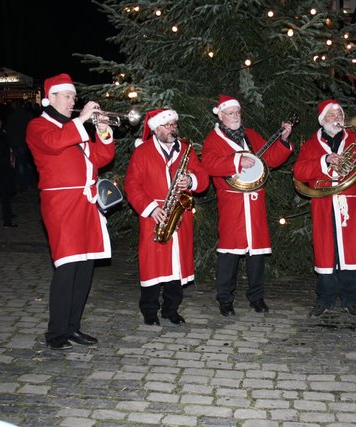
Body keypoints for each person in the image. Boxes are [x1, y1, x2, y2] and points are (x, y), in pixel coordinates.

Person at [26, 73, 115, 350]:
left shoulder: (73, 129)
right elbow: (54, 144)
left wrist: (102, 130)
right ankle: (56, 334)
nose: (73, 101)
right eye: (68, 96)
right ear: (50, 98)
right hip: (62, 205)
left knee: (84, 269)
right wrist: (82, 119)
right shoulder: (39, 126)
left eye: (74, 97)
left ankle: (73, 327)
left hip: (87, 205)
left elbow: (102, 158)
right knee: (67, 268)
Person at [293, 100, 356, 318]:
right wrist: (325, 161)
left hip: (350, 206)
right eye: (332, 115)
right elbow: (299, 171)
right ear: (322, 120)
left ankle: (350, 301)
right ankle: (324, 301)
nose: (337, 118)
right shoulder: (311, 145)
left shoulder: (355, 138)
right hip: (324, 204)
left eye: (339, 114)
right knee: (326, 254)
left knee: (349, 254)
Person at [201, 95, 293, 316]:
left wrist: (283, 140)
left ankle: (257, 298)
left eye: (238, 112)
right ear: (220, 116)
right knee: (229, 253)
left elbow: (270, 159)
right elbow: (209, 164)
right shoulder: (213, 139)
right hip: (232, 202)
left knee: (257, 254)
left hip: (255, 201)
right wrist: (237, 161)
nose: (235, 116)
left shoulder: (250, 135)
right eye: (230, 113)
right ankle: (225, 299)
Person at [124, 109, 209, 325]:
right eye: (167, 125)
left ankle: (171, 309)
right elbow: (132, 185)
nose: (173, 128)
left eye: (174, 124)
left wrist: (191, 180)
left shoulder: (186, 149)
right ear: (155, 129)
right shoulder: (142, 152)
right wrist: (151, 208)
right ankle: (149, 311)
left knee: (177, 266)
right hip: (154, 215)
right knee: (152, 265)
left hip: (180, 215)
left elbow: (203, 178)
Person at [5, 100, 36, 192]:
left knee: (20, 164)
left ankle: (23, 184)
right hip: (27, 142)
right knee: (28, 163)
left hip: (17, 142)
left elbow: (9, 131)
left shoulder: (11, 117)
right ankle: (30, 183)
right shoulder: (28, 115)